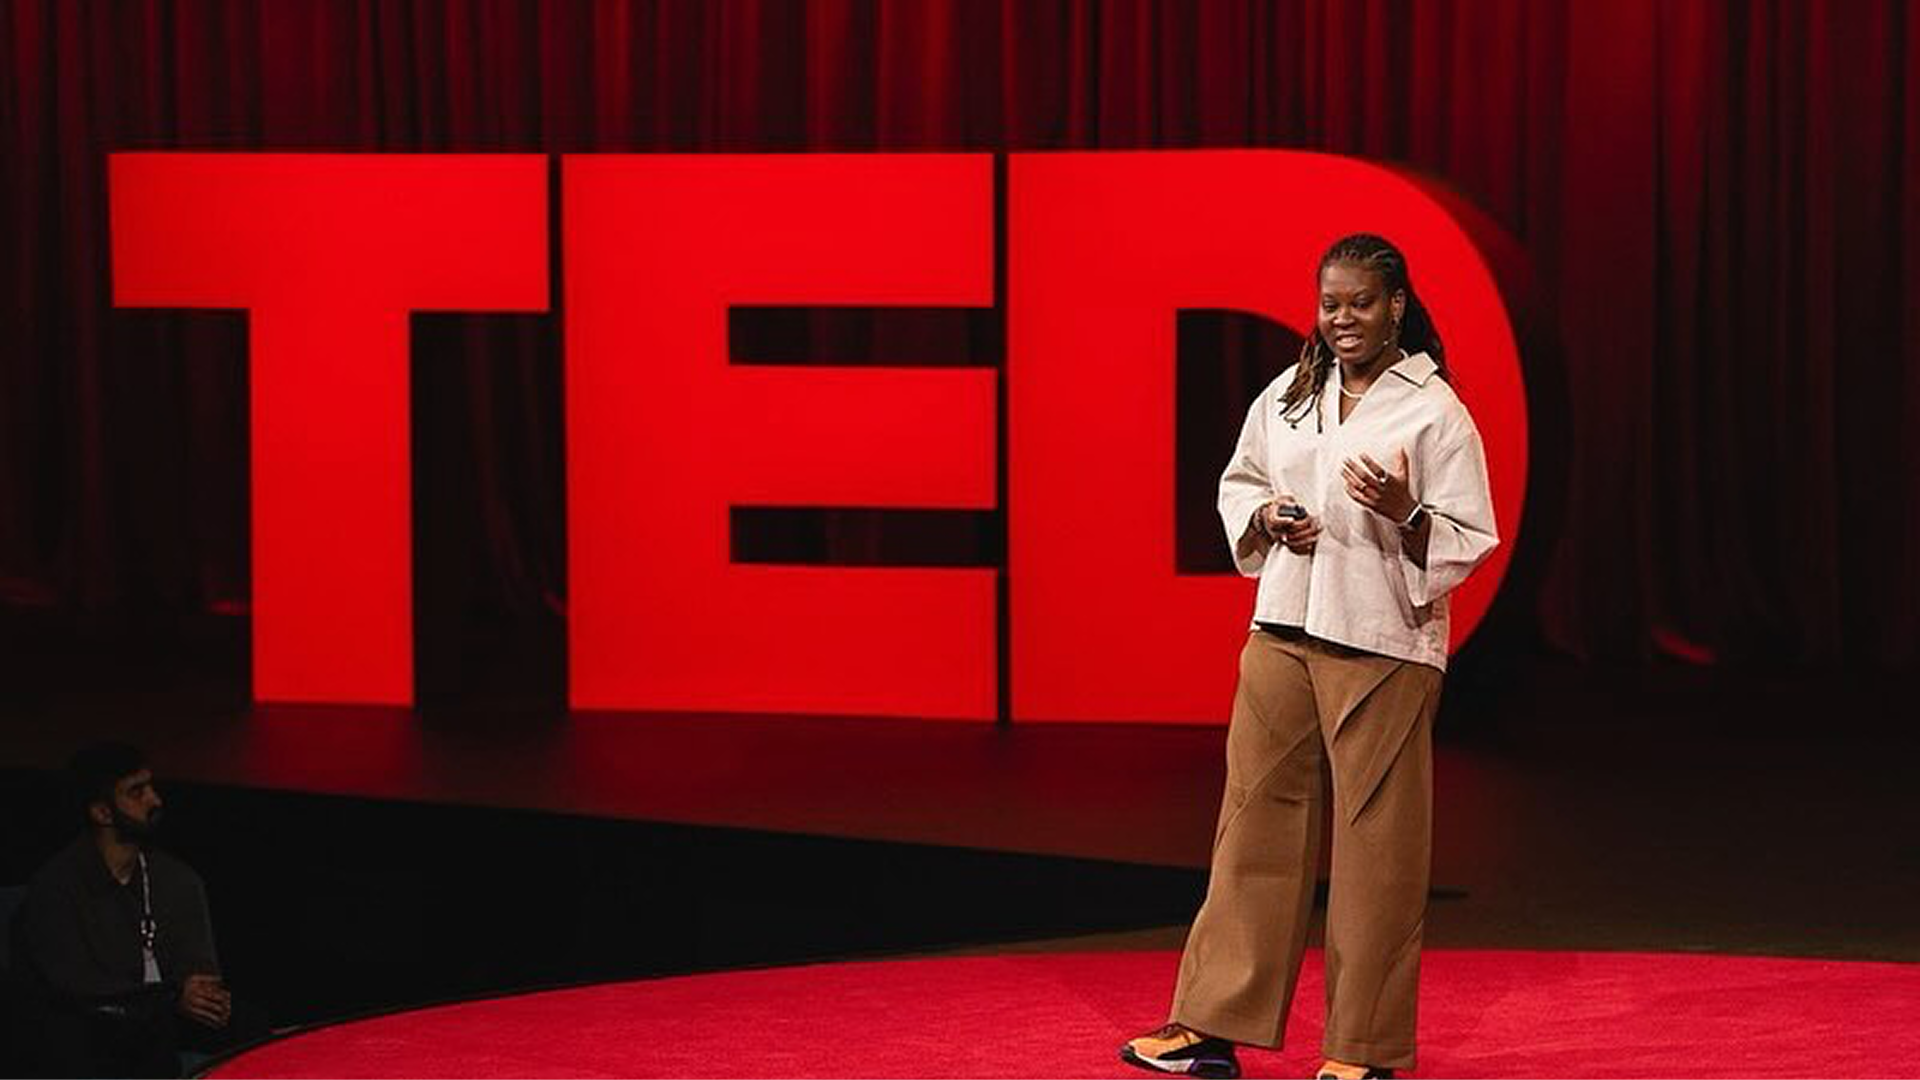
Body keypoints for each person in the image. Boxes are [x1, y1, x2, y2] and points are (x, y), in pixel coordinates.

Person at [1119, 234, 1499, 1080]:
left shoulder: (1434, 410)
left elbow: (1471, 537)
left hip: (1383, 644)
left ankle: (1363, 1050)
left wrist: (1406, 510)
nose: (1342, 320)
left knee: (1378, 847)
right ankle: (1210, 1027)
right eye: (1330, 304)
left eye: (1360, 303)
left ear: (1396, 304)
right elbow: (1242, 481)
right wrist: (1267, 520)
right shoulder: (1291, 393)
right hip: (1284, 629)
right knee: (1251, 826)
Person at [13, 743, 264, 1080]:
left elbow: (200, 972)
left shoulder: (177, 880)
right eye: (137, 792)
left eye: (151, 787)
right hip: (91, 1038)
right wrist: (171, 998)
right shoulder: (56, 888)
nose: (154, 800)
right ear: (102, 812)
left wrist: (206, 999)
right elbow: (77, 990)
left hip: (163, 1029)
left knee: (253, 1028)